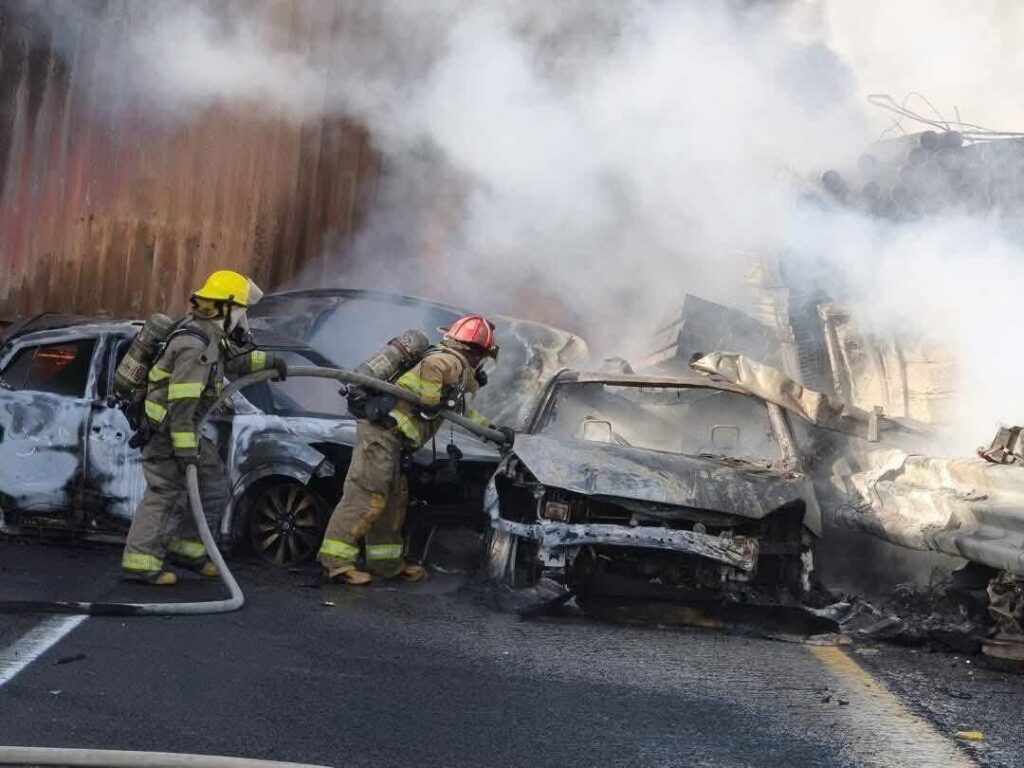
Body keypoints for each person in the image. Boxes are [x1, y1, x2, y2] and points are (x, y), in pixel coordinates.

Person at [318, 314, 512, 585]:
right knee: (366, 496)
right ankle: (335, 563)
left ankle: (386, 564)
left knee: (392, 502)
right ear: (476, 353)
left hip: (394, 442)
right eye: (483, 358)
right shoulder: (451, 361)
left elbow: (462, 413)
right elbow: (433, 368)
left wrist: (494, 430)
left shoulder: (454, 375)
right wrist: (430, 397)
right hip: (382, 435)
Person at [120, 270, 286, 585]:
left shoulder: (209, 335)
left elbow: (230, 364)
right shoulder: (194, 343)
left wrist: (270, 362)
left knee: (212, 483)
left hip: (184, 429)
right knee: (166, 490)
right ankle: (140, 561)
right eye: (241, 311)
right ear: (224, 308)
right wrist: (185, 450)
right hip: (167, 431)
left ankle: (188, 547)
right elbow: (181, 403)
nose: (243, 319)